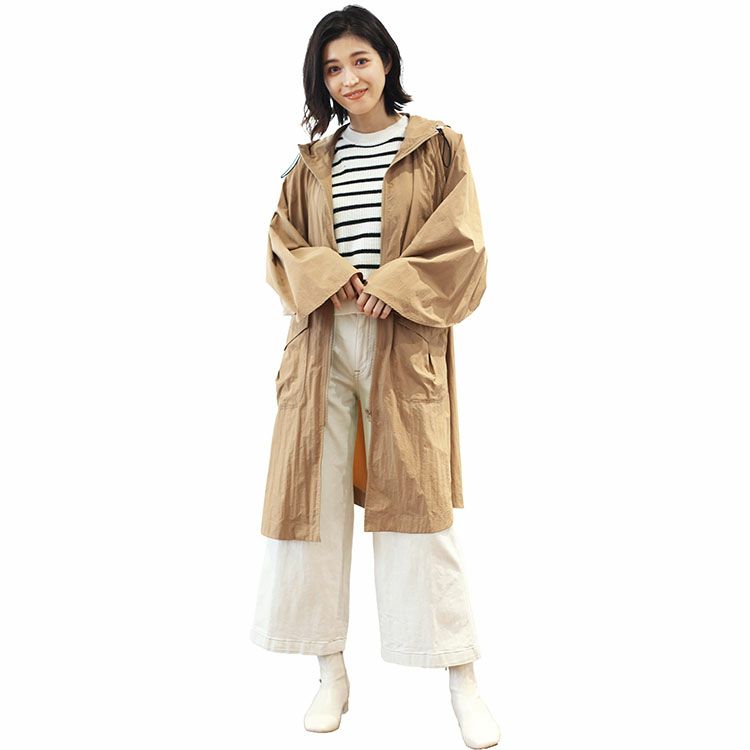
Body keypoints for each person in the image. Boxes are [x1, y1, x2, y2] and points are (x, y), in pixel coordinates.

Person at [251, 6, 500, 748]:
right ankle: (329, 672)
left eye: (360, 60)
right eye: (332, 68)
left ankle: (462, 680)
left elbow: (464, 246)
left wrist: (391, 285)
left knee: (421, 515)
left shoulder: (437, 146)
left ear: (386, 61)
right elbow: (281, 246)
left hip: (403, 343)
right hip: (321, 346)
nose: (348, 78)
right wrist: (333, 278)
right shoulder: (309, 163)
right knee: (313, 509)